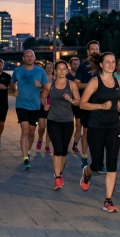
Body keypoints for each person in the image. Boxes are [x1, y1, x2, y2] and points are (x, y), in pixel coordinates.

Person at [79, 52, 120, 212]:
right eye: (107, 62)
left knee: (112, 164)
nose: (111, 64)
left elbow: (117, 102)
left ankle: (108, 201)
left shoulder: (119, 83)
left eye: (113, 62)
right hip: (96, 127)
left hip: (113, 127)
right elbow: (82, 104)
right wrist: (101, 106)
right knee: (97, 164)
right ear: (101, 64)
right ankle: (87, 172)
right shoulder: (95, 81)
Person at [41, 60, 80, 190]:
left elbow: (78, 102)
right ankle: (57, 178)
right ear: (55, 71)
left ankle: (60, 173)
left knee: (63, 150)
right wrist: (45, 105)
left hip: (67, 121)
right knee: (57, 148)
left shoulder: (72, 85)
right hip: (53, 120)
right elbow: (43, 97)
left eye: (64, 69)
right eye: (59, 69)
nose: (62, 71)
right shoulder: (49, 85)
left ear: (67, 71)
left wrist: (71, 99)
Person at [10, 50, 49, 170]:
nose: (29, 58)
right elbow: (12, 82)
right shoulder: (18, 71)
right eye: (27, 56)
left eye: (31, 56)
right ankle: (25, 159)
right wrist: (14, 90)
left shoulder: (40, 71)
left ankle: (28, 151)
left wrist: (40, 87)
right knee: (25, 131)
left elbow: (47, 86)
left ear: (34, 58)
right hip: (21, 105)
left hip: (35, 106)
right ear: (23, 58)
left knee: (32, 132)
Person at [73, 41, 101, 168]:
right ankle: (84, 157)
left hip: (101, 104)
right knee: (86, 132)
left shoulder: (103, 65)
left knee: (100, 133)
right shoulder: (83, 66)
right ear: (88, 51)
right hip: (86, 104)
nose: (95, 51)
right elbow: (76, 83)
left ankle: (98, 160)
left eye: (97, 49)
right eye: (92, 49)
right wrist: (90, 86)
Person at [36, 62, 54, 154]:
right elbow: (39, 91)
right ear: (44, 69)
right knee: (42, 126)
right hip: (42, 105)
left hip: (52, 105)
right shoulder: (41, 79)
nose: (49, 69)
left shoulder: (55, 80)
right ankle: (40, 139)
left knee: (50, 127)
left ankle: (47, 146)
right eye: (47, 67)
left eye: (51, 67)